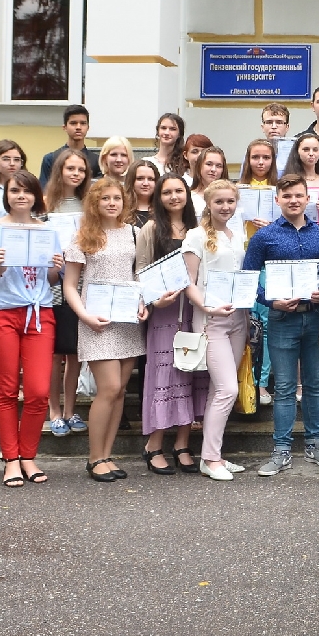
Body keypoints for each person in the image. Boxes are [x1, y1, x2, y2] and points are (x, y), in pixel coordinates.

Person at [0, 169, 62, 486]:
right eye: (15, 191)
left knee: (38, 390)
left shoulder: (47, 231)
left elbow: (50, 280)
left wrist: (54, 270)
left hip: (38, 313)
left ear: (36, 196)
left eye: (27, 191)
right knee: (6, 391)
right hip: (1, 314)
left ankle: (29, 456)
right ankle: (11, 460)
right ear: (5, 196)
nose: (21, 196)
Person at [241, 173, 319, 474]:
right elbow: (247, 280)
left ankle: (314, 444)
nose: (294, 201)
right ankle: (281, 450)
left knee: (313, 384)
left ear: (307, 198)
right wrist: (271, 301)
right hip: (281, 319)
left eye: (299, 195)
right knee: (283, 387)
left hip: (314, 317)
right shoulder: (264, 237)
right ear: (278, 199)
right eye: (288, 196)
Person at [62, 177, 148, 482]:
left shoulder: (134, 233)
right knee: (108, 388)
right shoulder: (83, 236)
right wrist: (84, 315)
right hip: (96, 322)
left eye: (117, 198)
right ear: (94, 203)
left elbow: (139, 275)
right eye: (105, 199)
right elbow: (70, 285)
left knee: (120, 391)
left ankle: (107, 455)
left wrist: (143, 303)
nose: (112, 203)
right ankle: (94, 458)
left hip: (127, 321)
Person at [176, 180, 249, 480]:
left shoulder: (237, 233)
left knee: (220, 390)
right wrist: (207, 307)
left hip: (238, 319)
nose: (225, 207)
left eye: (230, 201)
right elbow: (188, 282)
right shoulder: (195, 236)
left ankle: (213, 454)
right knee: (228, 389)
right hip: (211, 322)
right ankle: (210, 458)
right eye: (219, 202)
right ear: (208, 203)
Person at [136, 172, 201, 475]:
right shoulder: (150, 228)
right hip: (163, 312)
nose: (174, 197)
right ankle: (154, 444)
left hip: (194, 310)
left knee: (191, 373)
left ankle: (183, 444)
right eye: (167, 192)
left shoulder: (198, 228)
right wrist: (152, 301)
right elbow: (140, 271)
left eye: (179, 191)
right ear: (158, 197)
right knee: (165, 374)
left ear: (187, 194)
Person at [43, 148, 90, 440]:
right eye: (71, 169)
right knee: (55, 352)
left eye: (81, 170)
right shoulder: (47, 203)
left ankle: (71, 409)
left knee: (75, 352)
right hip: (51, 282)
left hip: (83, 282)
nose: (76, 174)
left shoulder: (88, 204)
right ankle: (54, 411)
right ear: (59, 170)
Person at [40, 104, 101, 183]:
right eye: (73, 123)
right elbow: (43, 191)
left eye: (83, 123)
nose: (78, 127)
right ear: (64, 127)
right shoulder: (50, 159)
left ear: (88, 127)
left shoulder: (97, 161)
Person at [290, 133, 319, 224]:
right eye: (306, 149)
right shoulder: (290, 182)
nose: (311, 154)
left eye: (315, 150)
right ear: (297, 152)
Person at [190, 146, 230, 217]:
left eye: (219, 166)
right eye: (209, 164)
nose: (213, 169)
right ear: (199, 166)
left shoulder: (231, 197)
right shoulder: (189, 197)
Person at [147, 112, 189, 178]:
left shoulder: (185, 164)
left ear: (179, 134)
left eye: (172, 129)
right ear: (158, 131)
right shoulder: (147, 162)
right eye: (163, 128)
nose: (167, 132)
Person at [127, 161, 158, 227]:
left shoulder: (163, 210)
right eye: (140, 178)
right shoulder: (121, 209)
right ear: (131, 181)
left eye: (151, 179)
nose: (146, 183)